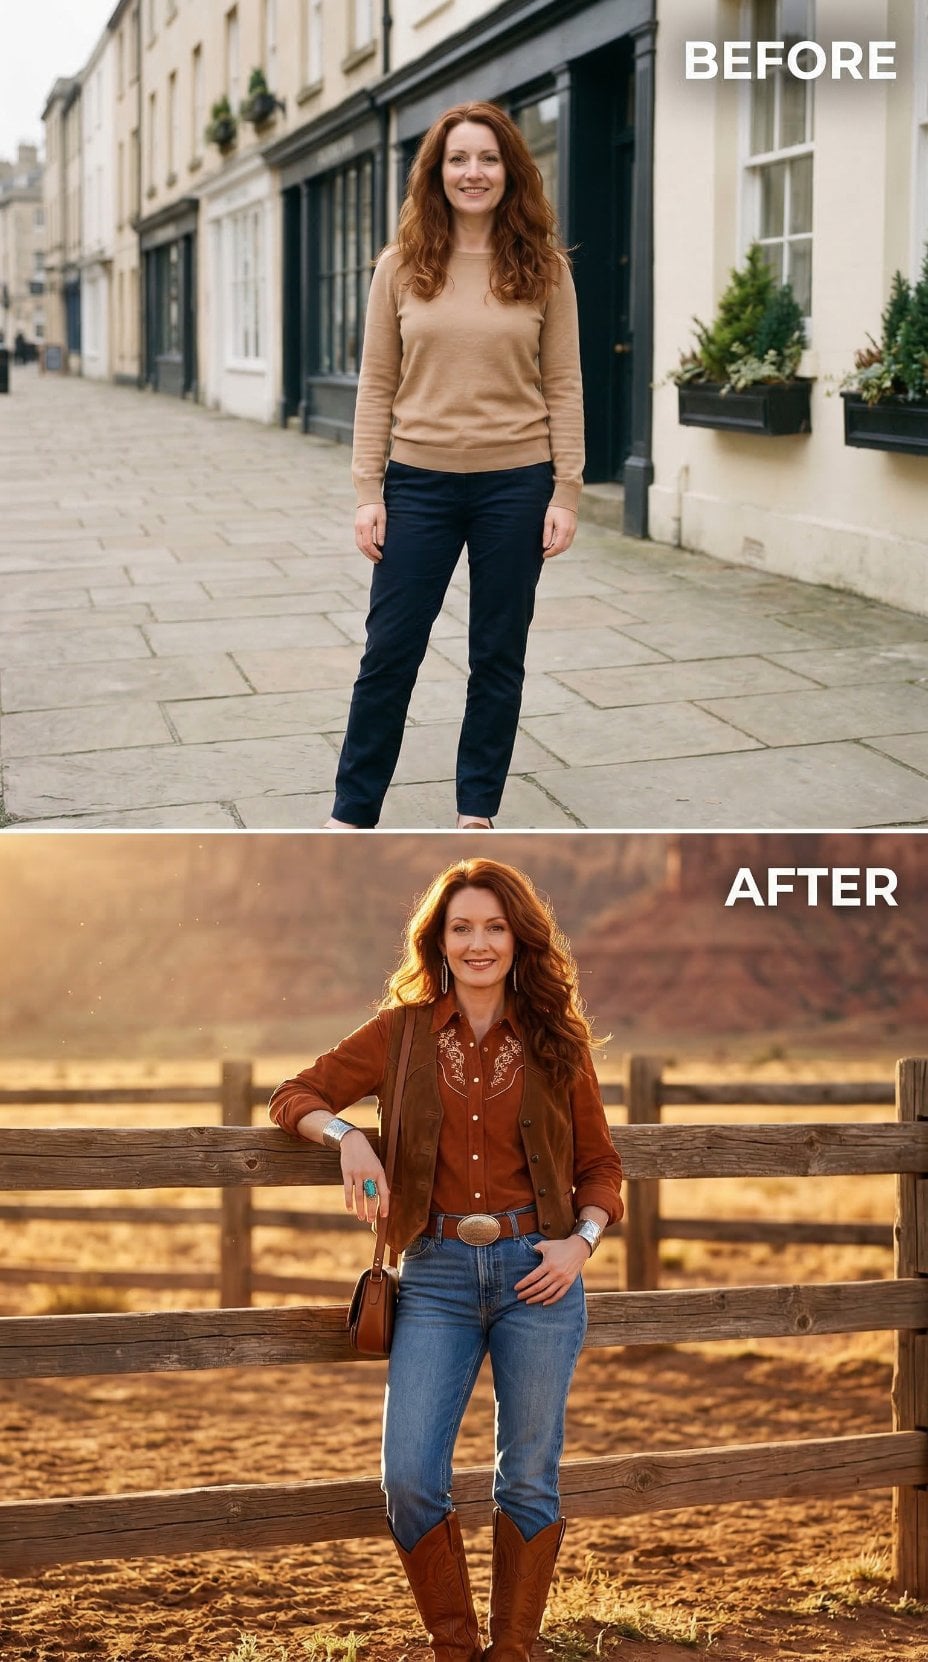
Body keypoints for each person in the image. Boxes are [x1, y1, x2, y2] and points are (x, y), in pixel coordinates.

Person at [269, 857, 622, 1660]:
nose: (478, 943)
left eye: (495, 926)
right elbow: (294, 1094)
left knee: (528, 1478)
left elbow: (601, 1167)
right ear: (438, 941)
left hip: (541, 1275)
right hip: (433, 1278)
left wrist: (581, 1243)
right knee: (410, 1477)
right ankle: (456, 1648)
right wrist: (348, 1136)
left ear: (519, 939)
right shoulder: (398, 1034)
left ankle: (514, 1651)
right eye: (461, 927)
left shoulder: (556, 1039)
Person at [325, 101, 585, 833]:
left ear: (511, 171)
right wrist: (367, 491)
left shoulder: (545, 269)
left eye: (489, 159)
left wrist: (566, 490)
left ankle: (477, 810)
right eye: (459, 159)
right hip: (418, 485)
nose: (474, 172)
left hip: (517, 484)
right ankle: (352, 814)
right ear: (436, 173)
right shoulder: (401, 267)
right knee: (390, 653)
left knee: (497, 654)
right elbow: (377, 383)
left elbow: (564, 383)